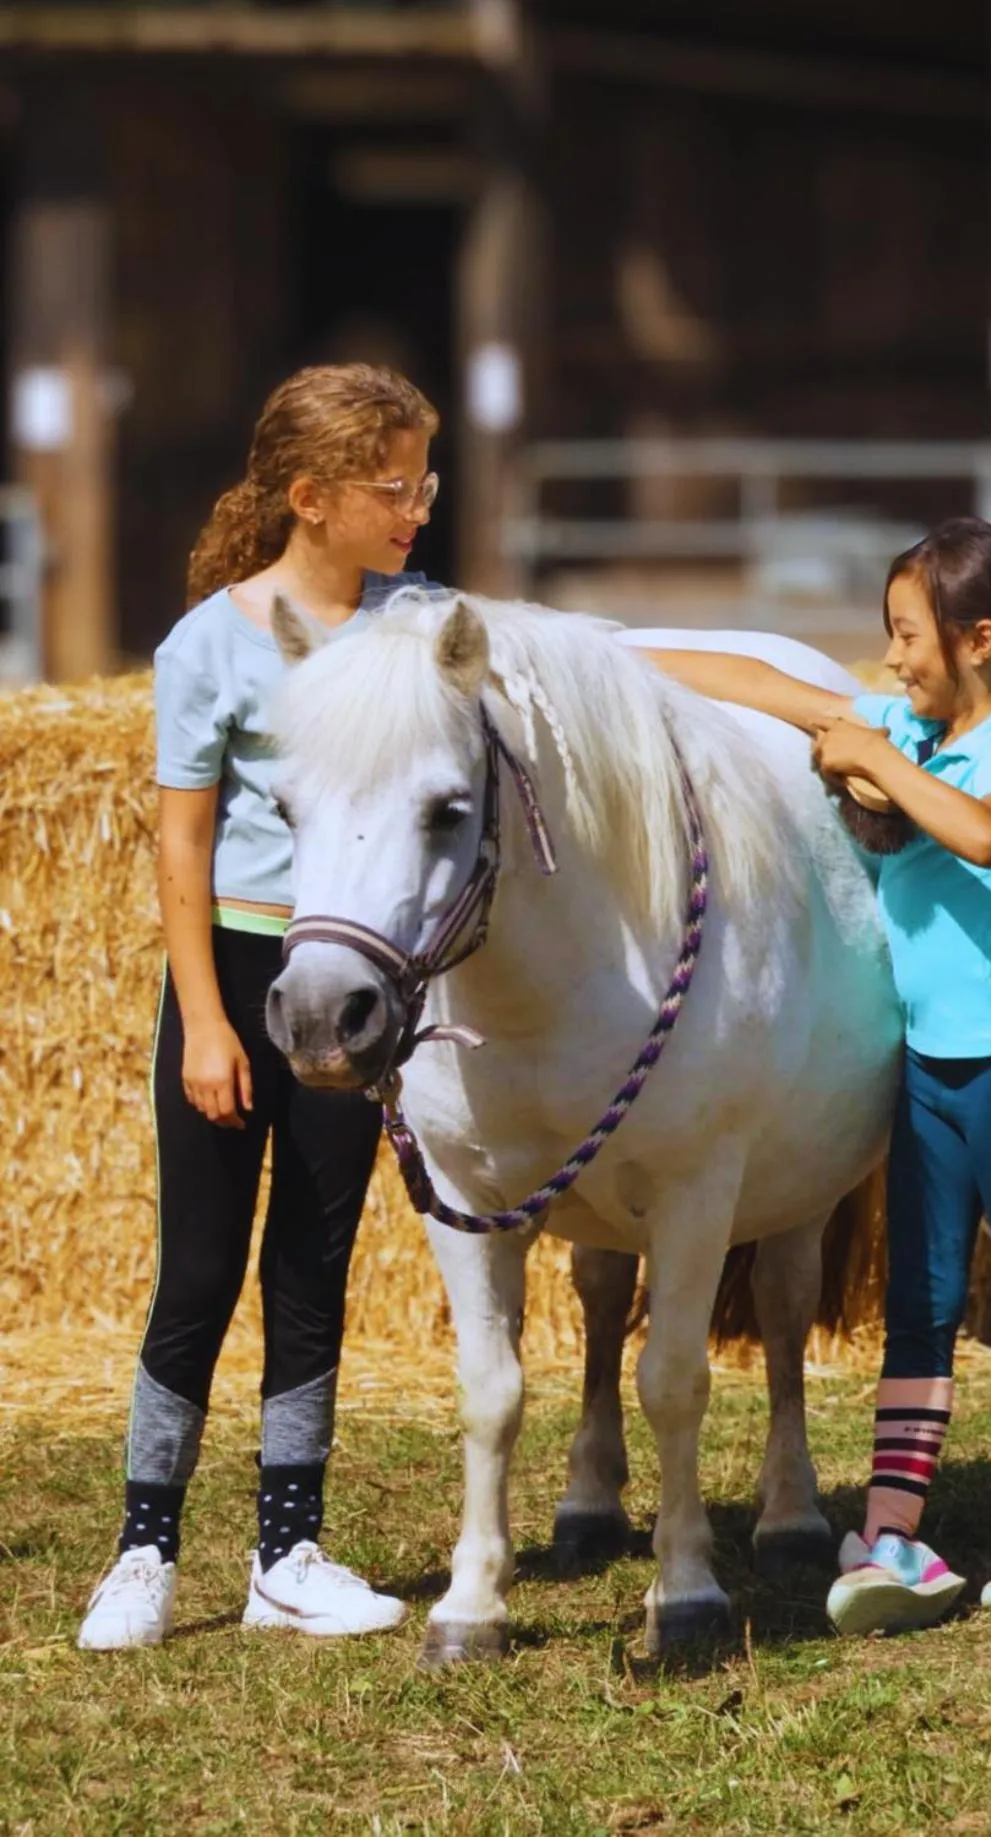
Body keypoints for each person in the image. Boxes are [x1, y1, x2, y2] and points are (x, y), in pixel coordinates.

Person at [649, 517, 991, 1635]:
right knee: (915, 1308)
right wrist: (606, 656)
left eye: (905, 636)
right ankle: (894, 1533)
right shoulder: (908, 724)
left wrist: (877, 759)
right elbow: (761, 681)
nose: (889, 660)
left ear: (979, 640)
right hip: (928, 1067)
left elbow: (981, 837)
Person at [78, 364, 441, 1649]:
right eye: (393, 488)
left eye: (423, 482)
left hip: (361, 991)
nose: (416, 509)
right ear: (312, 497)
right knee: (199, 1268)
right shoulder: (210, 646)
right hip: (240, 981)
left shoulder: (425, 622)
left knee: (314, 1264)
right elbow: (181, 850)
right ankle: (144, 1549)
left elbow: (584, 669)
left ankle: (288, 1549)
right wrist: (210, 1023)